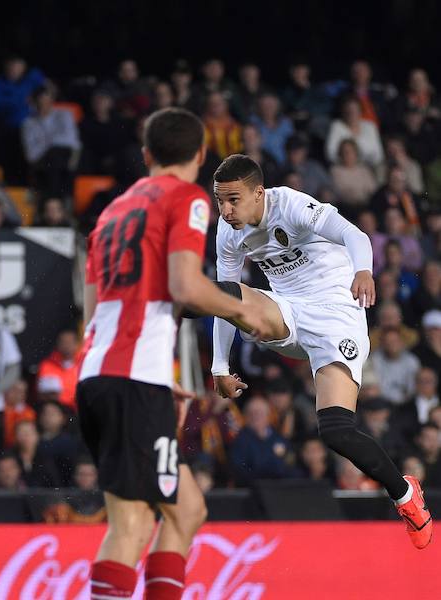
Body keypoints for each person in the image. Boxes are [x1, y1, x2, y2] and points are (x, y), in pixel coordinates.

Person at [78, 108, 266, 599]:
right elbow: (185, 286)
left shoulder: (113, 210)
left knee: (186, 511)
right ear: (202, 156)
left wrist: (156, 377)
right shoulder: (186, 198)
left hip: (108, 373)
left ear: (146, 155)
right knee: (133, 524)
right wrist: (245, 311)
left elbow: (95, 312)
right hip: (130, 380)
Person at [209, 153, 432, 548]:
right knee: (220, 294)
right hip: (288, 310)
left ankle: (404, 494)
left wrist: (364, 270)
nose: (225, 211)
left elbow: (355, 236)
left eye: (233, 200)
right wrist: (220, 365)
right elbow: (224, 305)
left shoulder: (291, 204)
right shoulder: (228, 233)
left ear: (259, 194)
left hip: (337, 313)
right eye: (219, 201)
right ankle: (155, 294)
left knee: (335, 431)